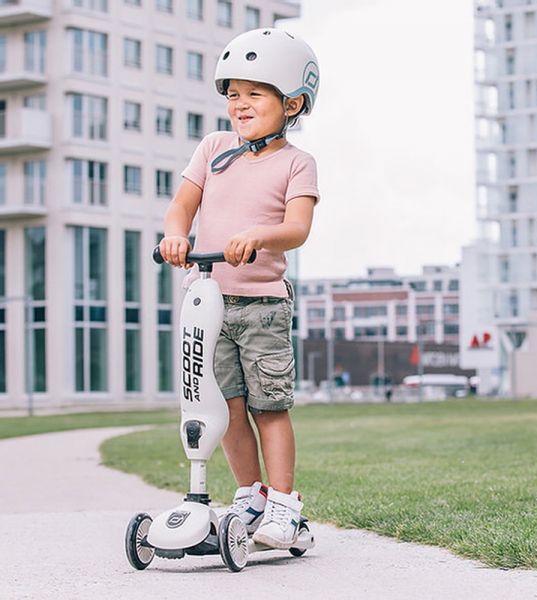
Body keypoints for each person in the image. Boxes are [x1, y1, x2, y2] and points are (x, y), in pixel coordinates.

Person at [158, 28, 320, 549]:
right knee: (223, 408)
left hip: (262, 306)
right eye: (233, 94)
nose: (240, 104)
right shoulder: (213, 148)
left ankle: (283, 506)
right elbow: (183, 204)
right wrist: (175, 235)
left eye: (256, 92)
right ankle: (249, 495)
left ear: (292, 101)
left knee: (268, 406)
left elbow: (297, 228)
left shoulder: (296, 163)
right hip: (206, 300)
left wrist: (258, 235)